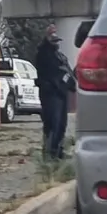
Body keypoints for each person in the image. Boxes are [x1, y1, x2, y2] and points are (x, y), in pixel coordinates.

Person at [34, 24, 76, 159]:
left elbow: (69, 73)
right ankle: (49, 153)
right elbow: (42, 52)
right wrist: (46, 37)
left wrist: (72, 85)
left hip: (61, 94)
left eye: (57, 41)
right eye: (54, 40)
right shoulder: (44, 55)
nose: (56, 43)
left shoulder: (60, 56)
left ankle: (58, 151)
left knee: (61, 124)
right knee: (53, 124)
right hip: (50, 94)